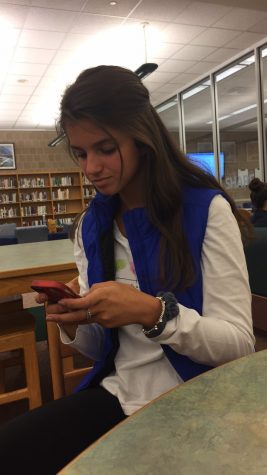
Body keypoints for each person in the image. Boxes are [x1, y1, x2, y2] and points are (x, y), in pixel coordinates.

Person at [0, 65, 255, 474]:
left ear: (141, 137)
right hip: (118, 396)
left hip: (199, 398)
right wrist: (75, 321)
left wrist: (152, 312)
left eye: (104, 148)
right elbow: (102, 350)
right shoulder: (91, 226)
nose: (91, 168)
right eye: (81, 153)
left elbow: (239, 347)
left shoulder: (206, 211)